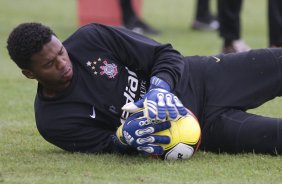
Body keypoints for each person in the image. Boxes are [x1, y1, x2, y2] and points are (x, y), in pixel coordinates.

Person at [6, 22, 282, 156]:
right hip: (201, 128)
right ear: (30, 74)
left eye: (62, 52)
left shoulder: (91, 39)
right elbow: (106, 147)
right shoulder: (53, 121)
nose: (63, 63)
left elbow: (166, 54)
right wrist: (124, 140)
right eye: (50, 64)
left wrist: (160, 87)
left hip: (202, 77)